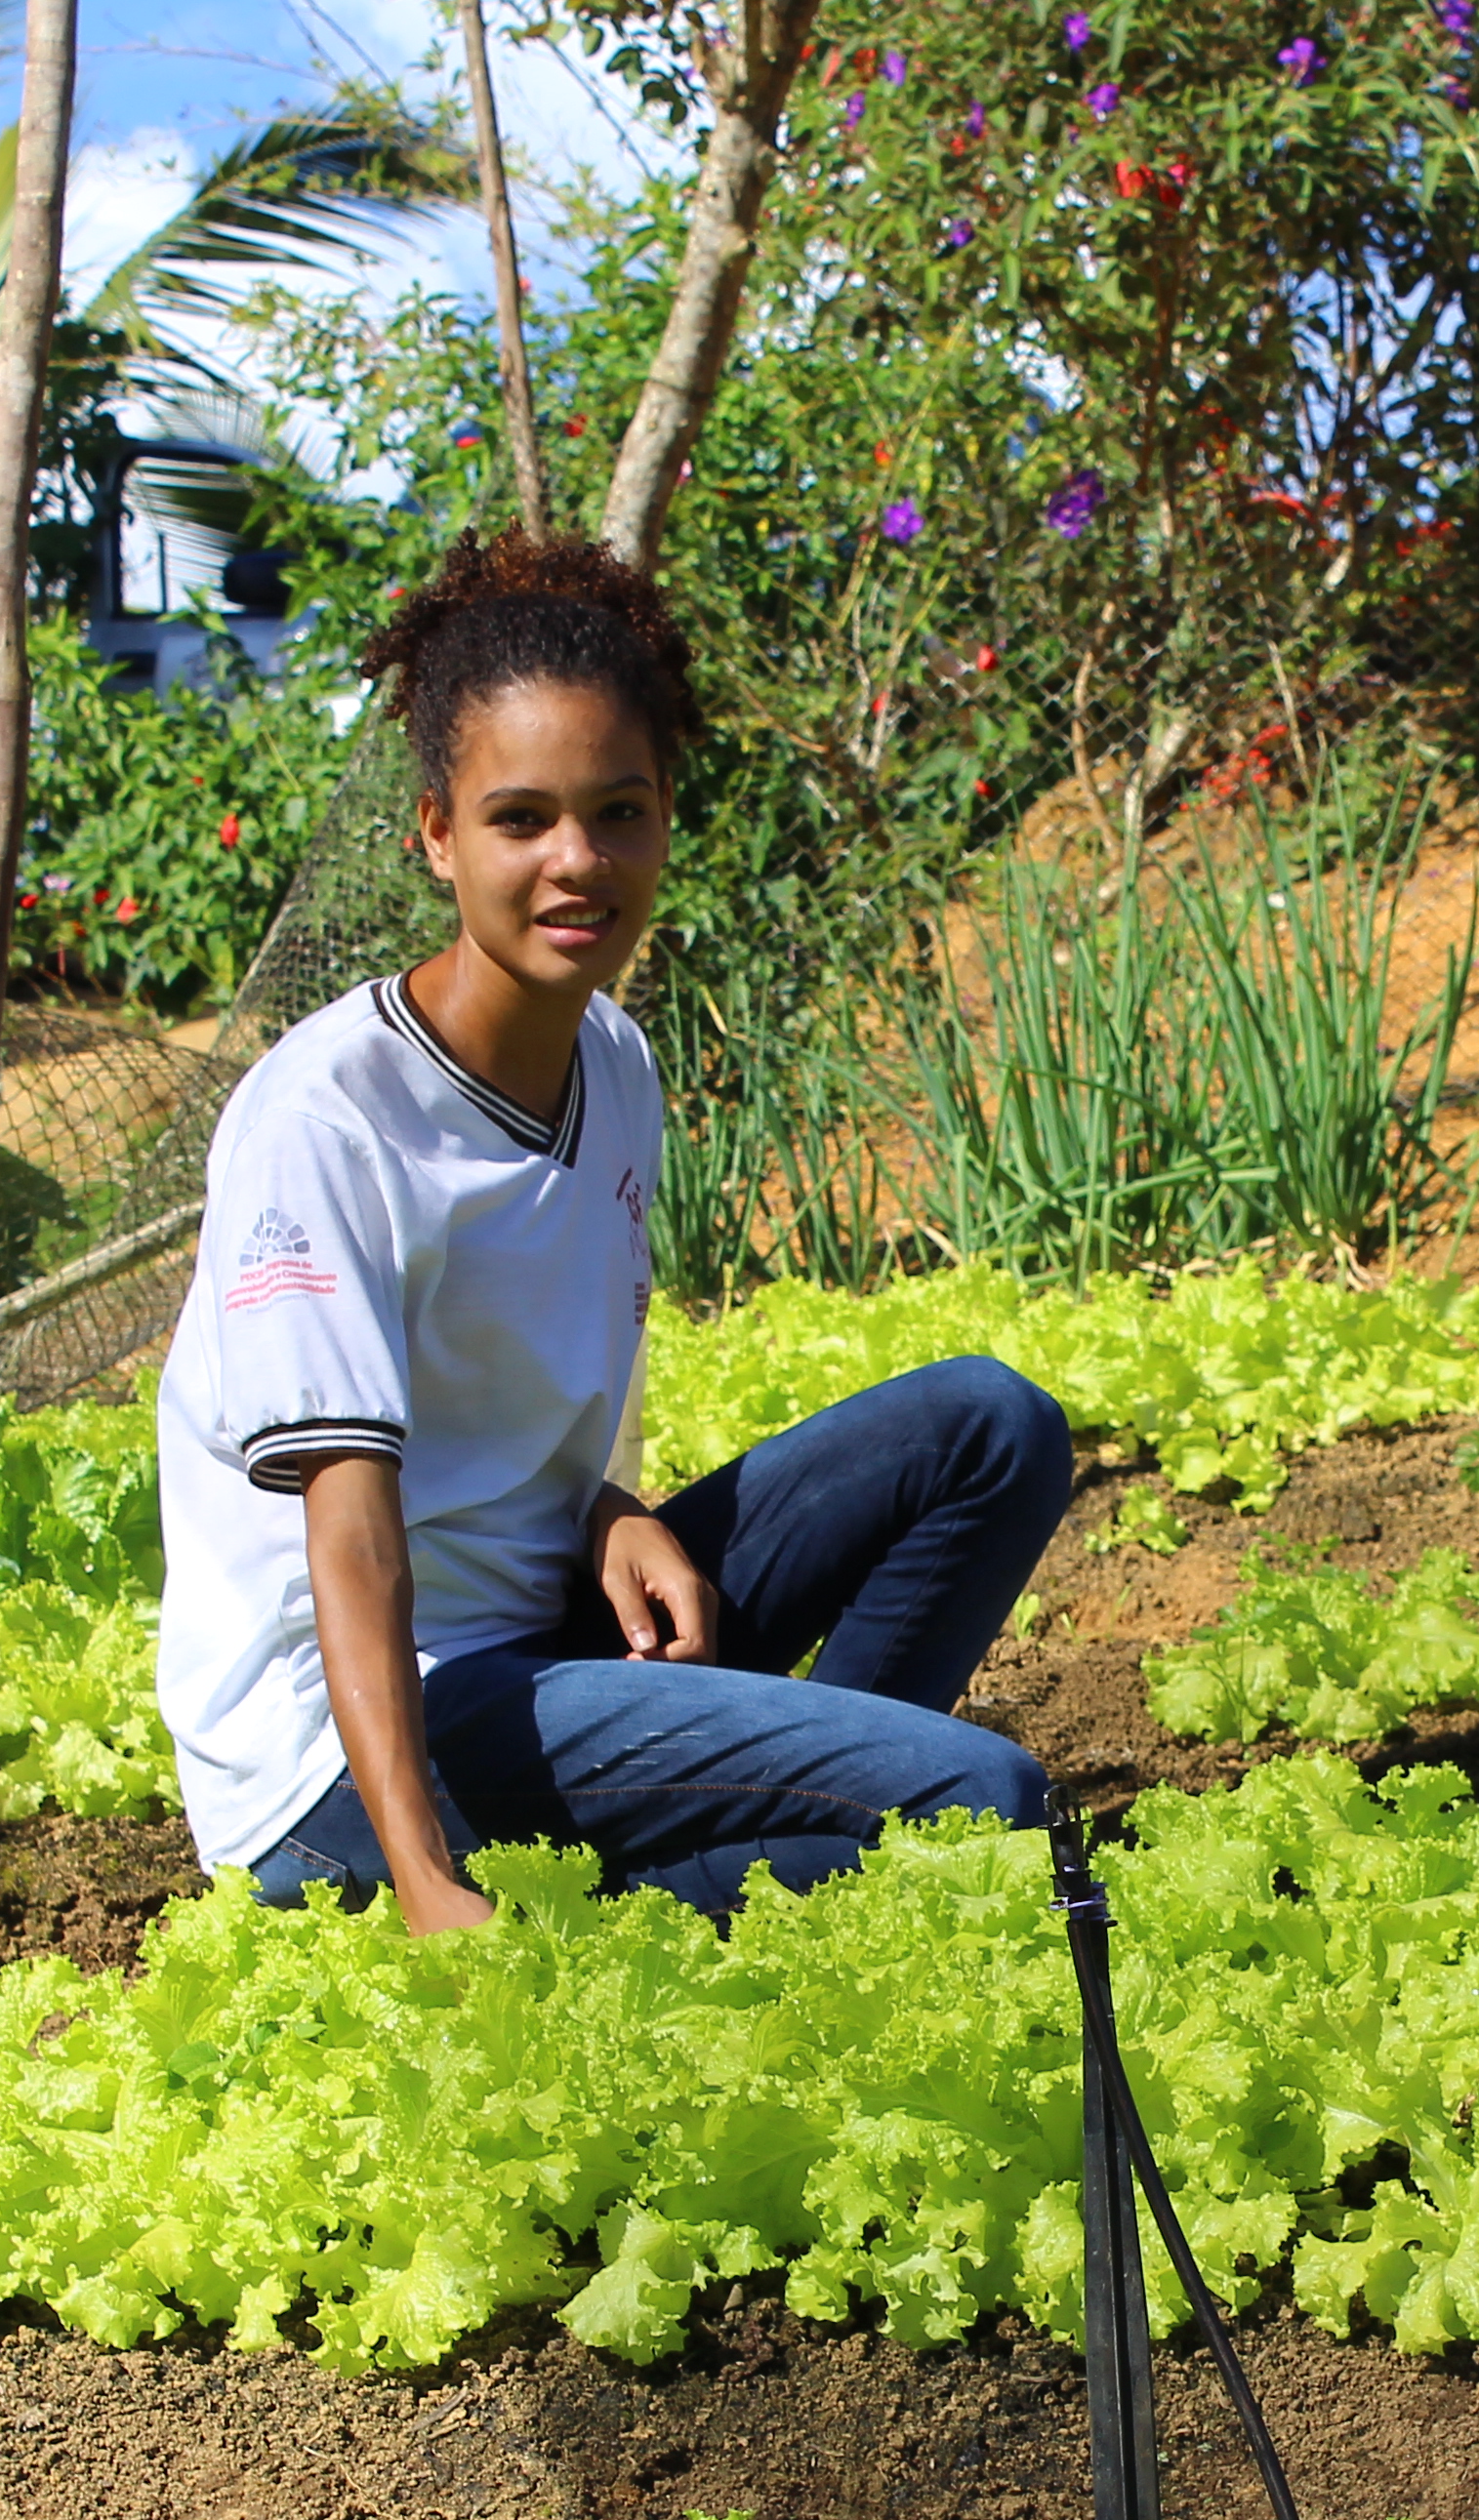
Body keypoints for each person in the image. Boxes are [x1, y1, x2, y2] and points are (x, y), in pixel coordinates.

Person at [156, 530, 1070, 1931]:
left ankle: (773, 1860)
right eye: (521, 819)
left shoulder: (616, 1067)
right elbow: (351, 1544)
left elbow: (499, 1397)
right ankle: (747, 1887)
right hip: (346, 1759)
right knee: (981, 1804)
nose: (576, 861)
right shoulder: (327, 1121)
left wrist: (607, 1508)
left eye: (619, 812)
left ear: (662, 820)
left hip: (543, 1657)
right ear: (437, 837)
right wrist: (420, 1886)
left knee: (990, 1428)